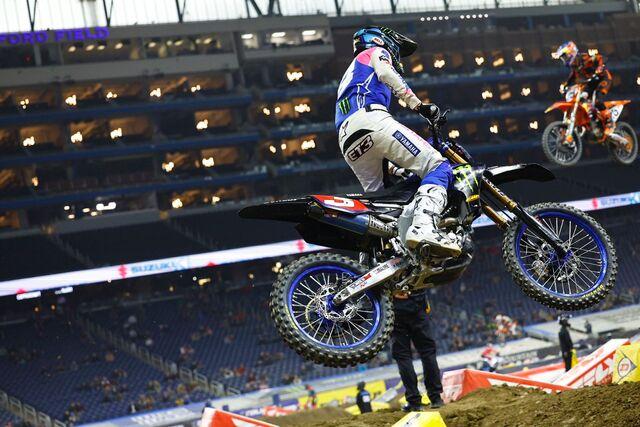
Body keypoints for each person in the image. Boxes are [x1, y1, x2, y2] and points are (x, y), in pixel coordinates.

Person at [335, 25, 460, 257]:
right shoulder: (374, 52)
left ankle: (375, 258)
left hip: (348, 140)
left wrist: (396, 169)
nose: (396, 55)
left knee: (382, 204)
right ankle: (424, 226)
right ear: (380, 41)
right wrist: (418, 105)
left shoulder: (349, 73)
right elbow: (386, 73)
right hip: (371, 118)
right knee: (438, 166)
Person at [391, 290, 444, 411]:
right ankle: (435, 398)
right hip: (417, 304)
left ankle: (414, 402)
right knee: (427, 352)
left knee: (403, 356)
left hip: (395, 310)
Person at [553, 41, 614, 136]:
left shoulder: (584, 58)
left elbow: (600, 58)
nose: (564, 60)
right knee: (583, 98)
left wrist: (599, 67)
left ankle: (609, 120)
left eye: (565, 56)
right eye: (562, 58)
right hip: (590, 82)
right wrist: (565, 85)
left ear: (571, 53)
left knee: (596, 96)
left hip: (602, 78)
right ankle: (592, 121)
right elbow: (573, 76)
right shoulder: (575, 66)